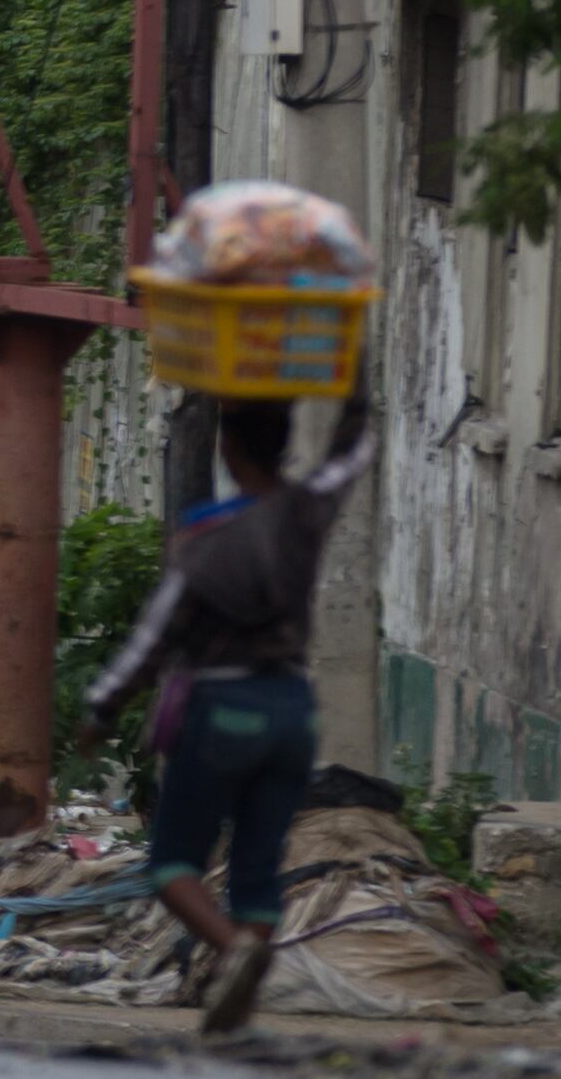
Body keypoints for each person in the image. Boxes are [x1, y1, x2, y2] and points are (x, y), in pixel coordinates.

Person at [83, 387, 378, 1037]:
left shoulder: (206, 534)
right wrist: (356, 380)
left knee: (173, 864)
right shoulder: (308, 513)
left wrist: (103, 706)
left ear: (227, 446)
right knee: (257, 869)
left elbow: (154, 637)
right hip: (293, 711)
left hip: (220, 708)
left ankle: (234, 950)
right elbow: (352, 451)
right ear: (286, 442)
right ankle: (238, 997)